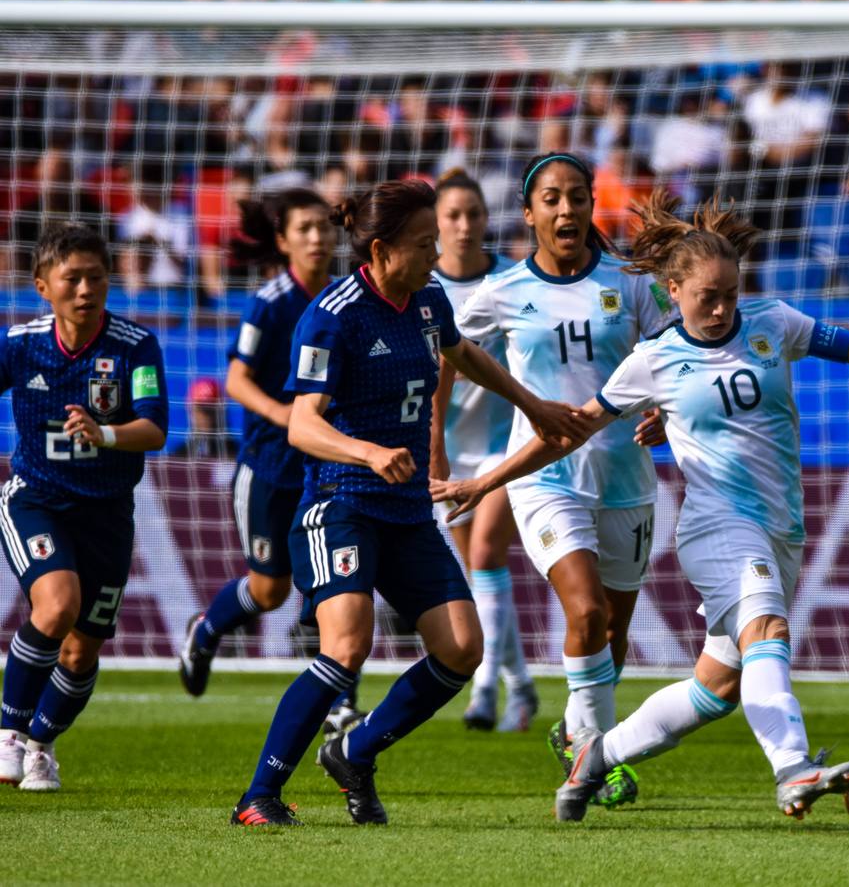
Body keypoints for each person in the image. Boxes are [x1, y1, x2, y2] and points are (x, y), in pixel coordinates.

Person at [441, 190, 849, 821]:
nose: (721, 309)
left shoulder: (776, 322)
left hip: (782, 528)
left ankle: (596, 757)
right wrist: (487, 482)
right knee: (768, 631)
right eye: (706, 297)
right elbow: (571, 429)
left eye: (729, 293)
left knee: (716, 688)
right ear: (672, 292)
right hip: (717, 524)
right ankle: (794, 769)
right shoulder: (653, 360)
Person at [230, 178, 590, 827]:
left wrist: (533, 405)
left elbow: (463, 353)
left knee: (461, 649)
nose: (437, 252)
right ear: (380, 250)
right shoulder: (332, 316)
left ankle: (355, 752)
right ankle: (259, 794)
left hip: (405, 512)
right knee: (346, 646)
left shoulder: (427, 297)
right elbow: (302, 424)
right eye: (424, 243)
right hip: (340, 503)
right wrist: (367, 452)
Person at [454, 152, 673, 809]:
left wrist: (663, 411)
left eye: (577, 197)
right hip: (544, 478)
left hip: (625, 476)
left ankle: (585, 739)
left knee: (613, 630)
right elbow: (449, 348)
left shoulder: (632, 284)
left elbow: (677, 356)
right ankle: (588, 751)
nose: (566, 210)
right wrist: (509, 407)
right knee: (586, 611)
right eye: (551, 199)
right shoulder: (503, 291)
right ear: (529, 214)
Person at [178, 188, 365, 733]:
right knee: (269, 589)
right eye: (304, 228)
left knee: (335, 581)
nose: (317, 237)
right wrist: (285, 416)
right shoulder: (269, 301)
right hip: (268, 466)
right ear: (283, 240)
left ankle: (342, 704)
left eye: (323, 227)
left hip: (325, 468)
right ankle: (206, 631)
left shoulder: (342, 299)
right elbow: (236, 378)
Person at [0, 223, 169, 792]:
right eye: (70, 278)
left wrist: (107, 435)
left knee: (82, 649)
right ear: (43, 286)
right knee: (57, 605)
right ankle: (8, 733)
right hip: (37, 499)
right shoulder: (21, 345)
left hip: (108, 512)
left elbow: (154, 428)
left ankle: (41, 748)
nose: (84, 289)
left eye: (95, 277)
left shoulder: (134, 346)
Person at [428, 168, 539, 733]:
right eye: (453, 215)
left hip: (505, 445)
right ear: (437, 223)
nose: (465, 225)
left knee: (489, 555)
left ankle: (485, 690)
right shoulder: (423, 287)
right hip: (448, 451)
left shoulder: (512, 281)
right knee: (479, 573)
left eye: (473, 213)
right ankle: (521, 684)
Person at [169, 377, 239, 460]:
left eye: (211, 410)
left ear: (222, 412)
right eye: (201, 409)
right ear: (190, 410)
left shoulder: (237, 454)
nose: (206, 417)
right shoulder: (180, 456)